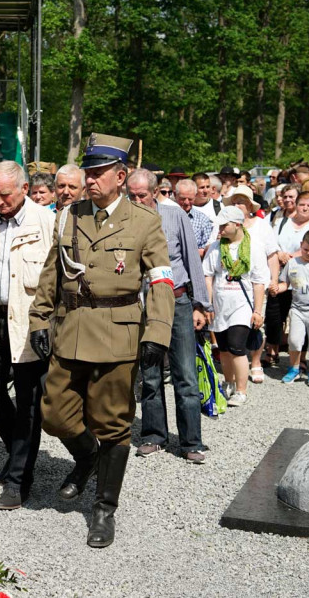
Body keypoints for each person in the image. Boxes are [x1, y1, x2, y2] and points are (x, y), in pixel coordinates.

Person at [29, 134, 174, 549]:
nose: (90, 180)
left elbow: (161, 280)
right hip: (71, 327)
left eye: (97, 173)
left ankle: (104, 508)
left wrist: (157, 332)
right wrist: (40, 319)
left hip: (118, 333)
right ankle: (88, 457)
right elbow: (52, 270)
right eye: (87, 173)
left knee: (113, 425)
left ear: (121, 176)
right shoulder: (70, 214)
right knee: (54, 414)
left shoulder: (144, 221)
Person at [0, 162, 55, 510]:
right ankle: (20, 450)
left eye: (5, 194)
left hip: (29, 323)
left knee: (29, 401)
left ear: (23, 188)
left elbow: (56, 282)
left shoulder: (47, 223)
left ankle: (19, 479)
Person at [126, 169, 210, 464]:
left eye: (142, 195)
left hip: (177, 301)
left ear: (156, 192)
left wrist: (201, 304)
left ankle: (191, 441)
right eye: (132, 195)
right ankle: (153, 435)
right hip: (143, 304)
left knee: (185, 373)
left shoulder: (175, 217)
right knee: (149, 374)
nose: (137, 200)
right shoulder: (125, 220)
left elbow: (192, 261)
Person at [202, 206, 269, 408]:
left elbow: (259, 282)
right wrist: (208, 304)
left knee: (237, 347)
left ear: (237, 224)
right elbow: (208, 276)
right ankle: (228, 382)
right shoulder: (215, 248)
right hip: (221, 304)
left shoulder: (254, 246)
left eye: (224, 225)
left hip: (242, 305)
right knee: (223, 349)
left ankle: (241, 390)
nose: (220, 230)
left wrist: (258, 311)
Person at [224, 186, 279, 383]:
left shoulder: (262, 226)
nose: (238, 205)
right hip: (230, 285)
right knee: (231, 326)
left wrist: (274, 280)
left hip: (256, 282)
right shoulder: (224, 225)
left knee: (256, 323)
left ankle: (255, 361)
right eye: (235, 202)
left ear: (249, 206)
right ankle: (234, 362)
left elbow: (272, 255)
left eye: (242, 202)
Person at [266, 192, 309, 366]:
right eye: (302, 204)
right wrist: (280, 254)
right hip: (280, 273)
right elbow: (272, 242)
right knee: (275, 315)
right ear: (296, 205)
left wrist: (292, 256)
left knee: (305, 318)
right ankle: (272, 350)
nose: (305, 208)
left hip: (304, 279)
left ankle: (302, 358)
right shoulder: (282, 222)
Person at [273, 230, 309, 387]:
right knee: (294, 340)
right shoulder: (293, 263)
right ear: (301, 245)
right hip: (298, 309)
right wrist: (277, 288)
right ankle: (294, 368)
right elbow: (285, 284)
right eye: (306, 249)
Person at [174, 179, 213, 256]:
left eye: (190, 199)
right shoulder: (165, 216)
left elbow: (206, 249)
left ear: (195, 196)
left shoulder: (203, 220)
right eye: (183, 199)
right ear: (175, 195)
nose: (186, 202)